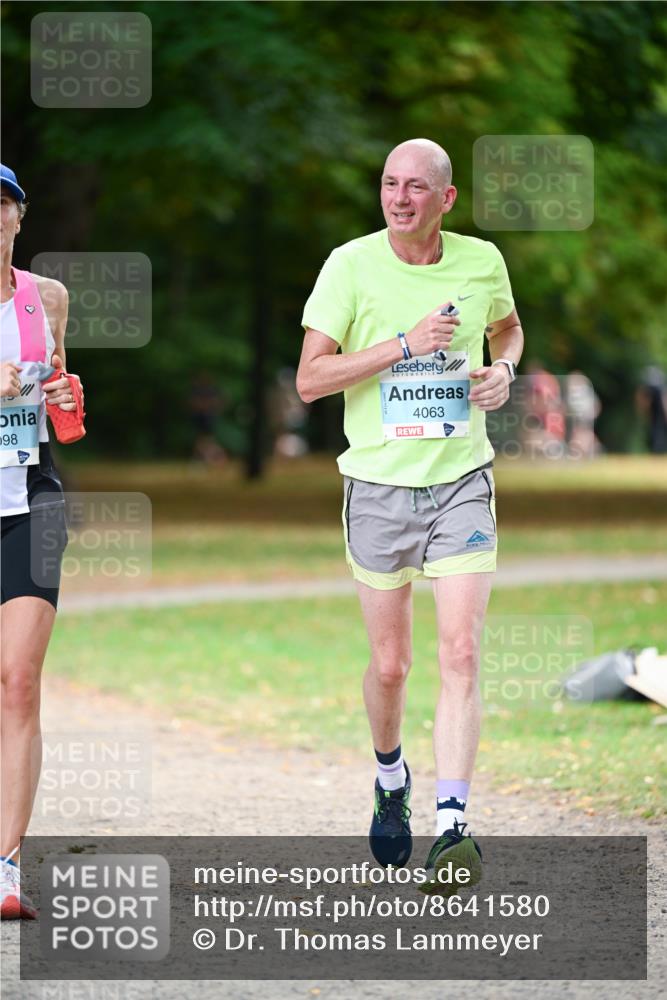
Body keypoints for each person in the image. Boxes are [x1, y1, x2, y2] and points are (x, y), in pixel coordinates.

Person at [297, 139, 523, 890]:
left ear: (445, 199)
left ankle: (453, 826)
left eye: (416, 187)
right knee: (390, 666)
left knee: (459, 654)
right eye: (390, 184)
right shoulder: (349, 265)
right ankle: (389, 777)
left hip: (460, 477)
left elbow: (506, 326)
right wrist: (402, 345)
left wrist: (502, 370)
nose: (399, 198)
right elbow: (309, 379)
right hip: (377, 487)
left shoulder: (479, 260)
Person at [0, 164, 83, 918]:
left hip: (33, 495)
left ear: (19, 218)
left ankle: (5, 867)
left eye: (0, 204)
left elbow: (63, 407)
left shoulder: (45, 297)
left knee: (18, 681)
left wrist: (64, 394)